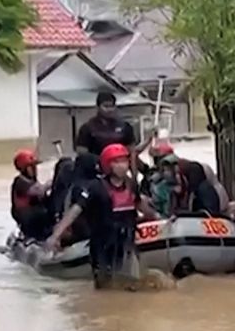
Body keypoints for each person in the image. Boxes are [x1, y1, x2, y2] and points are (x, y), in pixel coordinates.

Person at [47, 144, 156, 288]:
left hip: (127, 242)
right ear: (108, 165)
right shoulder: (95, 188)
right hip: (102, 245)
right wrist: (56, 235)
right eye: (117, 162)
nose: (122, 166)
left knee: (133, 282)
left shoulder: (131, 185)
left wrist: (160, 219)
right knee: (105, 285)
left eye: (124, 161)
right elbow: (75, 211)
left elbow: (141, 206)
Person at [153, 150, 228, 216]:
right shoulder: (175, 190)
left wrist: (183, 214)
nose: (177, 177)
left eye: (178, 174)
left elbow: (210, 213)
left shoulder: (203, 189)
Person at [75, 91, 137, 159]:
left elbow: (131, 150)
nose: (109, 109)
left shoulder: (125, 126)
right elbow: (81, 152)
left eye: (112, 106)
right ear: (98, 107)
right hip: (96, 165)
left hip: (120, 164)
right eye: (106, 106)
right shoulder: (87, 127)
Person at [10, 149, 52, 241]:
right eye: (32, 166)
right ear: (24, 169)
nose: (35, 169)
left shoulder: (33, 181)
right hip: (28, 217)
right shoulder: (20, 182)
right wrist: (52, 182)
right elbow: (39, 191)